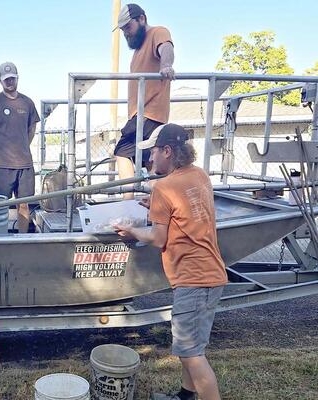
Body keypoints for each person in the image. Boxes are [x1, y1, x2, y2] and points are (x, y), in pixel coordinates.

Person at [114, 124, 227, 400]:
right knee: (191, 347)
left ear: (167, 151)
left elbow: (158, 237)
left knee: (191, 354)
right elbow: (184, 209)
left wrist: (131, 231)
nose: (150, 159)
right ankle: (185, 396)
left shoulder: (164, 186)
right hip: (211, 274)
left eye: (153, 152)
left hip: (194, 278)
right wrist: (155, 204)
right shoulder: (199, 176)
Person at [114, 3, 175, 198]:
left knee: (122, 152)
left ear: (142, 19)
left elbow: (166, 48)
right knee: (151, 164)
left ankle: (128, 202)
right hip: (141, 114)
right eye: (123, 31)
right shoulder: (137, 51)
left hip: (149, 112)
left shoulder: (158, 33)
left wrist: (166, 66)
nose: (126, 34)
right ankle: (160, 205)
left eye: (128, 28)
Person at [0, 61, 40, 233]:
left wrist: (21, 147)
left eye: (12, 78)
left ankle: (23, 239)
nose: (10, 82)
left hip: (24, 164)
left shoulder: (27, 103)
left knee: (24, 204)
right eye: (6, 79)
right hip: (1, 166)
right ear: (0, 80)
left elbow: (32, 129)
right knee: (0, 205)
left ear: (17, 78)